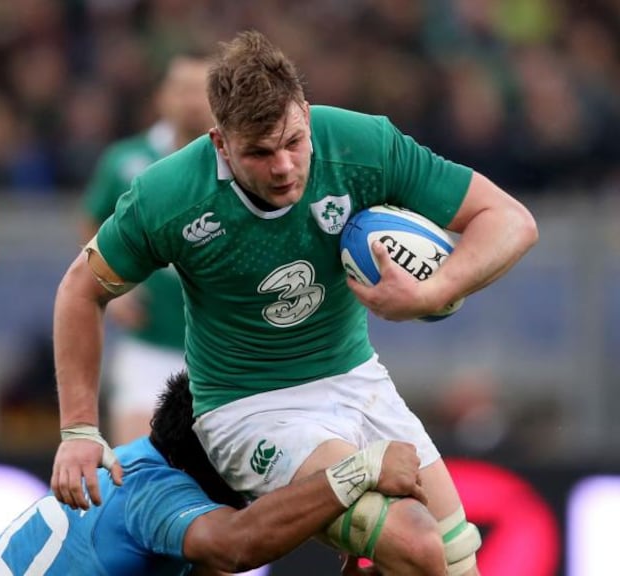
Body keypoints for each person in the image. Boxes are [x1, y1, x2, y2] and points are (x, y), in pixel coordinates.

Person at [51, 30, 538, 576]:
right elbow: (79, 289)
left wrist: (433, 291)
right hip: (250, 407)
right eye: (258, 153)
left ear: (306, 112)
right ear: (220, 142)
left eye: (293, 142)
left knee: (455, 563)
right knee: (418, 545)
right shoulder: (170, 196)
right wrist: (78, 431)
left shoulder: (361, 147)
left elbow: (510, 221)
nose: (283, 167)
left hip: (358, 381)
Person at [0, 372, 426, 575]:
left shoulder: (142, 463)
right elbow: (239, 545)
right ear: (224, 450)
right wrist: (357, 472)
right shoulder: (154, 495)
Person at [80, 54, 214, 445]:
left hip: (225, 347)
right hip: (151, 342)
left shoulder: (242, 159)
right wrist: (113, 286)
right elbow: (92, 222)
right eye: (183, 89)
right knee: (136, 460)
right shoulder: (126, 160)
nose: (192, 101)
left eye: (202, 91)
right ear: (162, 97)